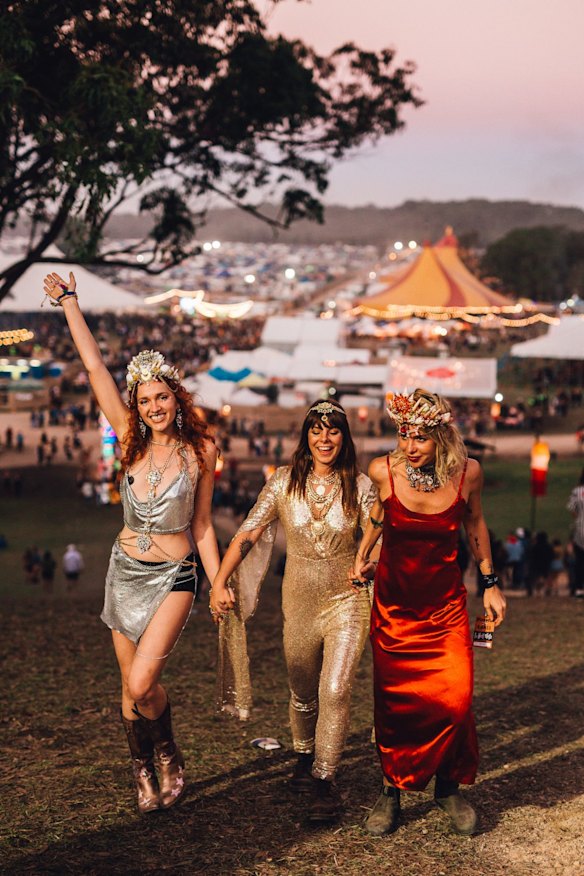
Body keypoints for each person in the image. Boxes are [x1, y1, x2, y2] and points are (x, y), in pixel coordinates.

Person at [42, 271, 220, 814]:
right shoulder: (128, 440)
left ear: (176, 397)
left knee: (144, 683)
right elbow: (95, 366)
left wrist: (218, 583)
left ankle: (166, 752)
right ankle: (140, 768)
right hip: (124, 571)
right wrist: (72, 304)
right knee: (127, 684)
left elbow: (205, 525)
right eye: (144, 400)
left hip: (175, 576)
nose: (152, 407)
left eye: (161, 397)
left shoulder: (200, 452)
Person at [210, 399, 378, 823]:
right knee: (302, 692)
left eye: (334, 430)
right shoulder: (284, 482)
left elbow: (377, 537)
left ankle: (325, 779)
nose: (325, 439)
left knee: (335, 690)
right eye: (317, 430)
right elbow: (248, 533)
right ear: (306, 436)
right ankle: (304, 757)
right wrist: (218, 582)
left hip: (348, 600)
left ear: (345, 436)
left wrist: (370, 562)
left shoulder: (360, 486)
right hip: (299, 601)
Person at [351, 389, 506, 837]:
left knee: (455, 700)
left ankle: (448, 787)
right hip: (395, 609)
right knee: (395, 705)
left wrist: (491, 583)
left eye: (420, 437)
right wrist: (363, 554)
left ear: (441, 435)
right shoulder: (383, 469)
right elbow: (379, 518)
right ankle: (390, 792)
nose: (410, 446)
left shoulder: (467, 473)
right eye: (404, 435)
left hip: (446, 611)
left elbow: (475, 523)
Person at [567, 469, 584, 597]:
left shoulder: (577, 492)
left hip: (580, 530)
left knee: (580, 561)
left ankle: (579, 588)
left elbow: (572, 510)